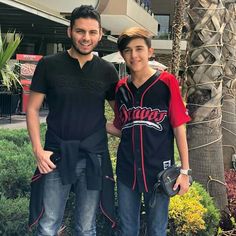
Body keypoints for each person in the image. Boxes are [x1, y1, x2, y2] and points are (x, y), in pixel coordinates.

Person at [26, 5, 119, 236]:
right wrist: (38, 151)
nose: (86, 38)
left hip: (92, 156)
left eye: (92, 32)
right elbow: (32, 109)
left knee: (87, 227)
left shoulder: (108, 71)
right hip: (55, 155)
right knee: (48, 225)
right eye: (80, 31)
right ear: (70, 32)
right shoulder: (49, 64)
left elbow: (121, 117)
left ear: (100, 34)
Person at [106, 27, 191, 236]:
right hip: (127, 170)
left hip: (159, 172)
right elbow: (122, 128)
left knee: (157, 229)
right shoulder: (121, 88)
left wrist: (185, 171)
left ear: (150, 51)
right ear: (122, 55)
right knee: (128, 229)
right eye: (128, 50)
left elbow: (179, 126)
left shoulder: (166, 82)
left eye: (139, 49)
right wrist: (94, 123)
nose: (134, 55)